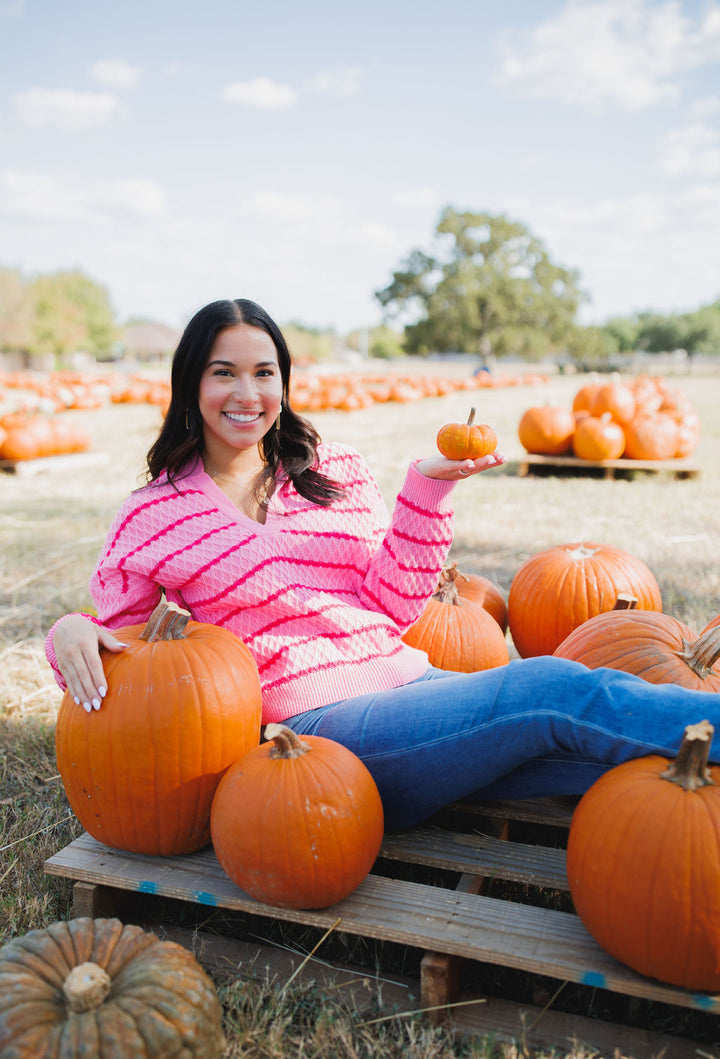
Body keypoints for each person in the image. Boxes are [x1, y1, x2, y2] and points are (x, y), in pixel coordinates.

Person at [45, 298, 719, 832]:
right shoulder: (153, 514)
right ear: (190, 382)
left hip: (412, 686)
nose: (245, 392)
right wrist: (66, 633)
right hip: (315, 737)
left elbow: (395, 605)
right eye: (224, 371)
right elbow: (132, 655)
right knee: (551, 691)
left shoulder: (333, 469)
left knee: (581, 751)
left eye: (263, 372)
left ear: (284, 382)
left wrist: (428, 489)